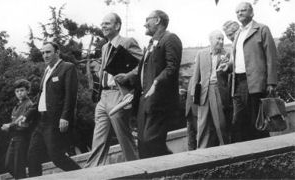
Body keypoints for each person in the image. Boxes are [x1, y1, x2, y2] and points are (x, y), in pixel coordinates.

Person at [116, 10, 182, 158]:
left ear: (157, 20)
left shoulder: (170, 38)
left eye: (148, 19)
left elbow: (172, 68)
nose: (144, 23)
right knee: (144, 146)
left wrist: (156, 83)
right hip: (144, 101)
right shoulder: (151, 43)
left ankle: (176, 167)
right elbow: (144, 73)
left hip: (159, 101)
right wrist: (128, 79)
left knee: (152, 141)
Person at [84, 13, 142, 168]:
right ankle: (92, 173)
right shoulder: (104, 47)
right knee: (98, 140)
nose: (103, 26)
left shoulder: (128, 42)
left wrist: (129, 75)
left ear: (117, 26)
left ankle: (138, 171)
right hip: (104, 96)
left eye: (107, 23)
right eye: (102, 23)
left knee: (125, 139)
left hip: (118, 94)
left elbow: (145, 64)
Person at [20, 42, 81, 177]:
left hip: (55, 120)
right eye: (43, 53)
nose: (45, 55)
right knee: (32, 156)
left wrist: (65, 117)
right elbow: (40, 97)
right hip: (41, 121)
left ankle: (84, 176)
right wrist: (27, 115)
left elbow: (71, 96)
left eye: (48, 52)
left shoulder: (67, 68)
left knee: (57, 156)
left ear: (57, 52)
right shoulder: (47, 71)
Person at [220, 2, 278, 142]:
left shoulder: (262, 29)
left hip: (255, 83)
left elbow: (271, 57)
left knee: (257, 122)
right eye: (237, 12)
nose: (239, 13)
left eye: (243, 10)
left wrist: (271, 82)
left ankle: (263, 154)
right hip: (238, 83)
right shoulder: (238, 33)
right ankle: (245, 156)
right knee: (239, 122)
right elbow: (238, 58)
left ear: (251, 13)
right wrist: (228, 66)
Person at [190, 30, 228, 149]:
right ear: (210, 40)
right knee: (202, 123)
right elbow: (196, 74)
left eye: (222, 39)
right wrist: (193, 93)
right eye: (218, 39)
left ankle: (226, 147)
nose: (221, 42)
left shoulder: (226, 54)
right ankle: (201, 150)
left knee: (220, 123)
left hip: (218, 90)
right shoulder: (201, 53)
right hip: (203, 91)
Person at [1, 79, 33, 179]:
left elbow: (24, 124)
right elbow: (15, 122)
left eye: (22, 90)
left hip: (22, 139)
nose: (19, 93)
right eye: (17, 91)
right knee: (8, 165)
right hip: (13, 139)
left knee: (18, 167)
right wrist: (8, 127)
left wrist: (9, 126)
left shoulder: (29, 105)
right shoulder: (16, 106)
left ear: (28, 91)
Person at [222, 20, 240, 142]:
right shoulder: (233, 45)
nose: (229, 38)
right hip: (235, 86)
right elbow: (234, 64)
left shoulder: (240, 43)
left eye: (230, 34)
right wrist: (227, 66)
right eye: (227, 35)